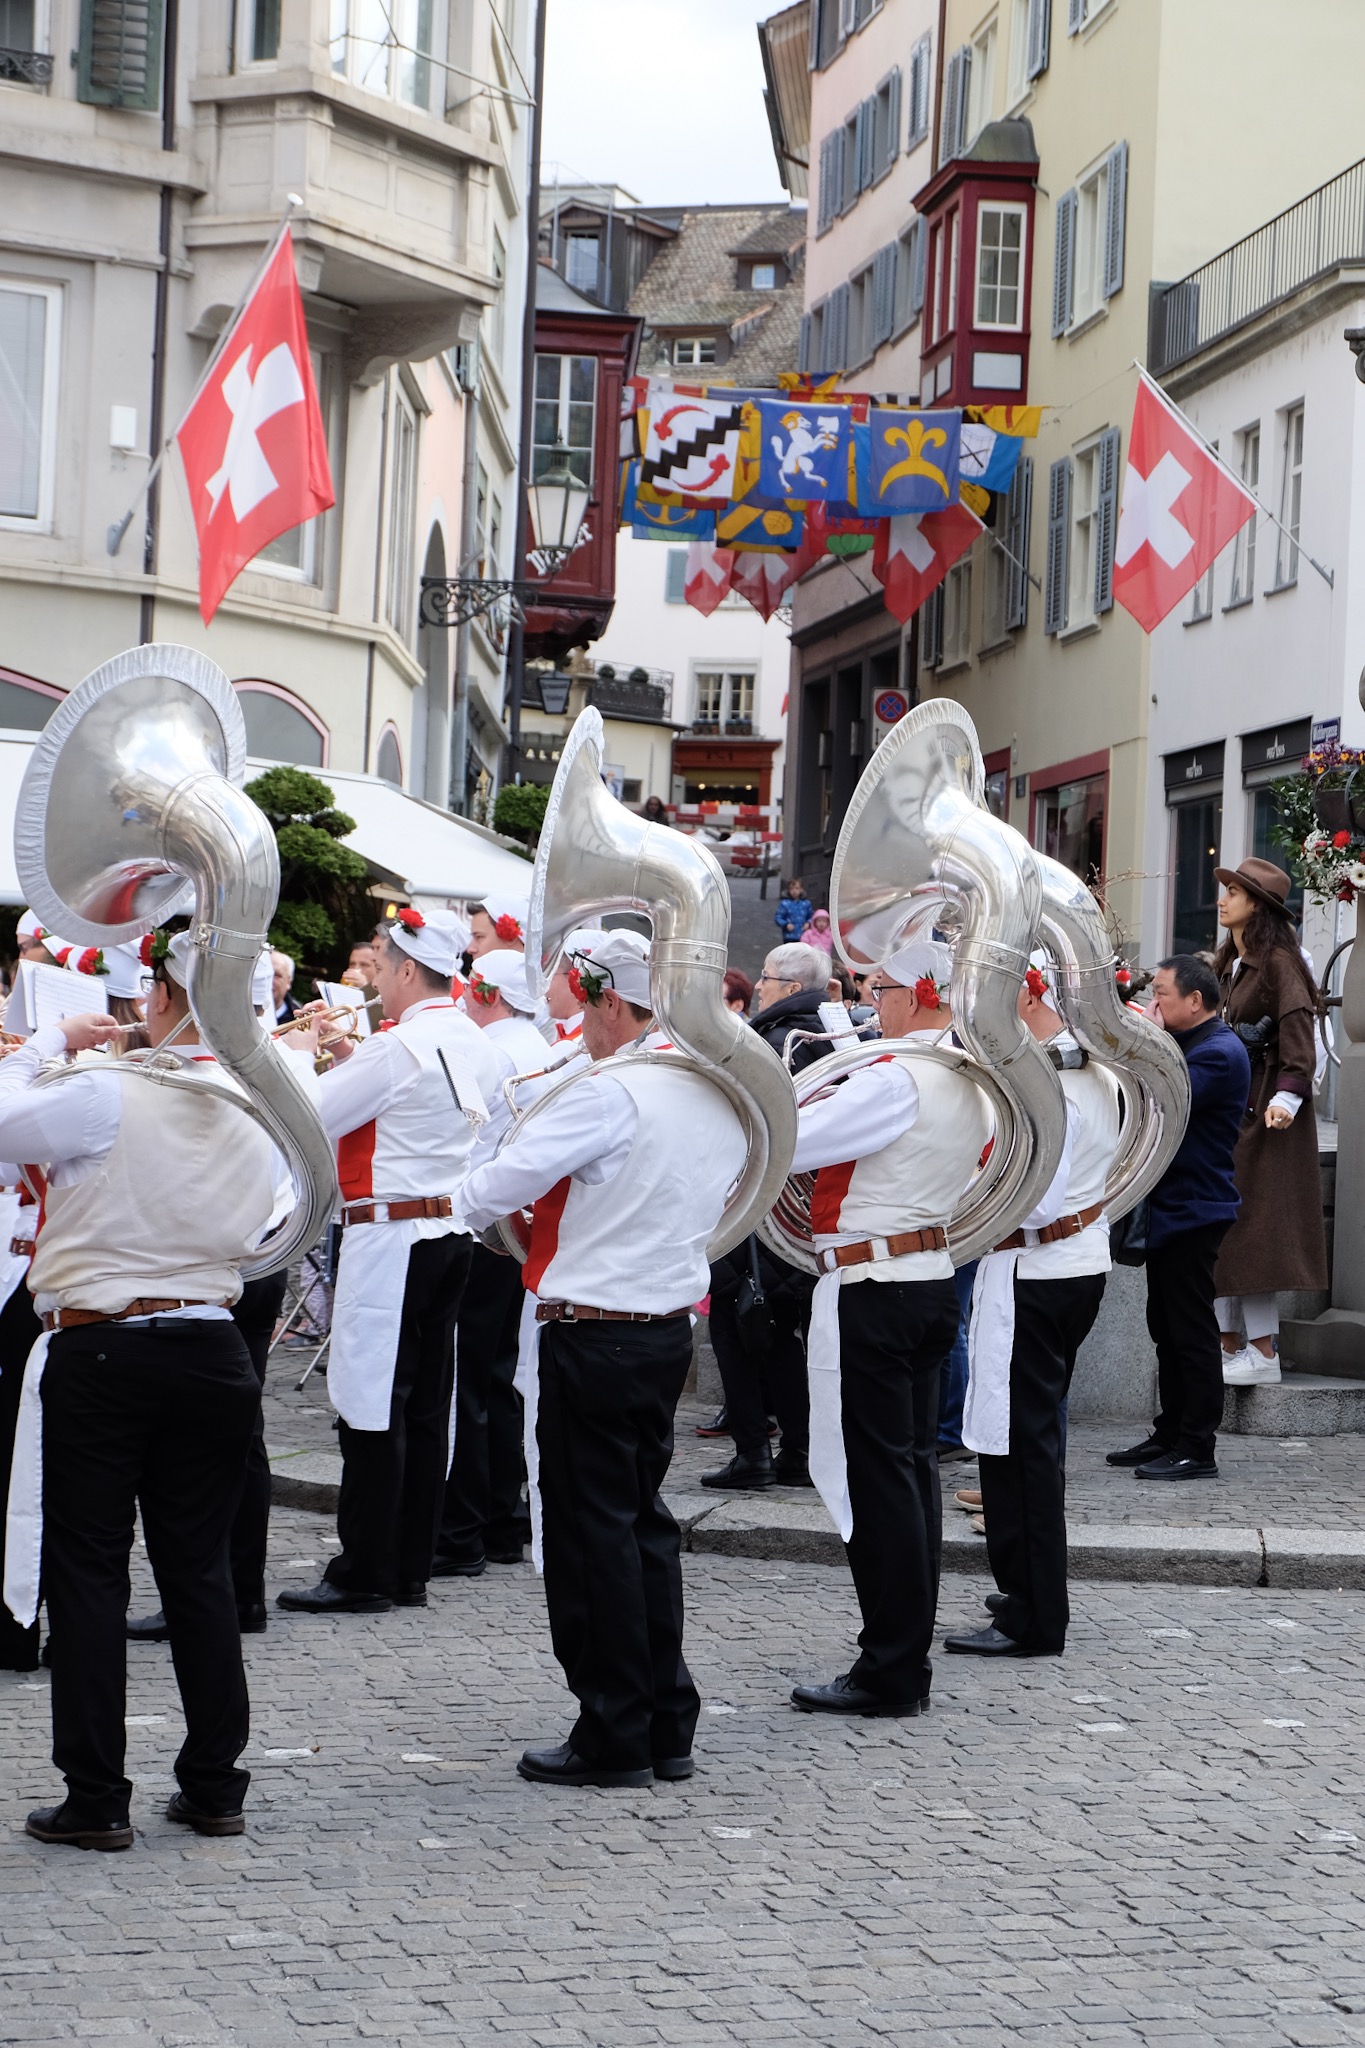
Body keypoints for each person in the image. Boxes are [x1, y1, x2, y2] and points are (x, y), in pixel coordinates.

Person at [0, 932, 276, 1849]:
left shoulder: (103, 1092)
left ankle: (95, 1796)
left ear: (160, 996)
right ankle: (215, 1786)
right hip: (213, 1342)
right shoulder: (262, 1097)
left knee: (88, 1571)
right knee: (198, 1569)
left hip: (106, 1346)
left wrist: (48, 1047)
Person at [461, 930, 747, 1788]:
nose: (575, 1022)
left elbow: (494, 1189)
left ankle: (612, 1730)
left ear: (608, 1003)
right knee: (643, 1525)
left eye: (581, 1003)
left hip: (593, 1329)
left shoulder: (609, 1091)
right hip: (661, 1327)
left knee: (596, 1537)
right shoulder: (712, 1086)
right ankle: (665, 1721)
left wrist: (484, 1150)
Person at [785, 941, 992, 1717]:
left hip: (872, 1285)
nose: (873, 1004)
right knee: (907, 1478)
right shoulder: (967, 1078)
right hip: (926, 1279)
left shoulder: (895, 1077)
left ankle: (890, 1667)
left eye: (878, 990)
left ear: (910, 995)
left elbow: (789, 1141)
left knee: (878, 1484)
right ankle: (900, 1657)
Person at [278, 910, 501, 1615]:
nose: (373, 982)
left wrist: (297, 1052)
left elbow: (308, 1115)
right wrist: (352, 1059)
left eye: (379, 969)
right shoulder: (469, 1037)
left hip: (389, 1236)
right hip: (445, 1232)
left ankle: (365, 1570)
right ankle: (407, 1565)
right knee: (426, 1405)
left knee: (370, 1402)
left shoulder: (398, 1044)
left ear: (408, 970)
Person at [945, 961, 1121, 1658]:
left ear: (1026, 992)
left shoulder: (1050, 1082)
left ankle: (1033, 1613)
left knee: (1020, 1450)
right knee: (1027, 1440)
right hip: (1066, 1265)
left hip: (1038, 1268)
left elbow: (1032, 1202)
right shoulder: (1093, 1069)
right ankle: (1023, 1582)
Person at [126, 948, 295, 1645]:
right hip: (262, 1250)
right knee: (242, 1432)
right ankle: (241, 1593)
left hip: (208, 1264)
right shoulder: (270, 1064)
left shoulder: (186, 1070)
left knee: (188, 1446)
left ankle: (204, 1593)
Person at [1107, 955, 1250, 1481]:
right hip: (1174, 1208)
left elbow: (1160, 1101)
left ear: (1195, 1000)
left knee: (1189, 1331)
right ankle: (1170, 1432)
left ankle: (1197, 1446)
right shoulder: (1193, 1044)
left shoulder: (1217, 1052)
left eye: (1163, 994)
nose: (1154, 1003)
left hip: (1196, 1209)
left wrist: (1143, 1040)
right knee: (1164, 1327)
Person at [435, 949, 551, 1577]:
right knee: (501, 1379)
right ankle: (504, 1523)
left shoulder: (492, 1052)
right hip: (516, 1229)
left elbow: (453, 1133)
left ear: (489, 995)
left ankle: (462, 1531)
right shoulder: (542, 1046)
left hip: (480, 1223)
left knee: (466, 1384)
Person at [696, 945, 828, 1480]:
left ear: (791, 989)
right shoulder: (832, 1034)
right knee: (779, 1335)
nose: (760, 987)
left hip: (763, 1213)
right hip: (806, 1217)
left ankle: (755, 1451)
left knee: (738, 1325)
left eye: (768, 978)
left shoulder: (774, 1042)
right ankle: (798, 1450)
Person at [1211, 859, 1327, 1386]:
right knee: (1231, 1232)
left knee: (1256, 1234)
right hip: (1237, 1114)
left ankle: (1262, 1352)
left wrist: (1286, 1099)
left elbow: (1299, 1043)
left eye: (1234, 892)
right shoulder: (1233, 963)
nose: (1223, 899)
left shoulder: (1279, 961)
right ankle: (1228, 1346)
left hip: (1268, 1119)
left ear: (1257, 905)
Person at [774, 877, 814, 943]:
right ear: (788, 890)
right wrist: (786, 924)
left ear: (801, 890)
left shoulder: (806, 903)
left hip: (804, 935)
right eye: (791, 889)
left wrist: (808, 923)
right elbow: (778, 917)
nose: (794, 891)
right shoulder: (785, 904)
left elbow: (811, 916)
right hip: (789, 936)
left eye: (797, 888)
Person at [271, 949, 296, 1024]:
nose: (268, 980)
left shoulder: (298, 1021)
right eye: (264, 973)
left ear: (288, 982)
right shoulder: (238, 1011)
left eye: (276, 975)